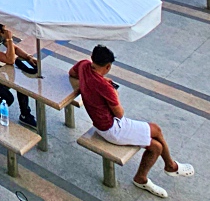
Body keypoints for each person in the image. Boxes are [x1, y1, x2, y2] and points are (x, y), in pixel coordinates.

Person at [69, 46, 193, 198]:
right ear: (108, 66)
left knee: (156, 146)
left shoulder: (83, 65)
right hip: (112, 129)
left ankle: (142, 178)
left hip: (100, 124)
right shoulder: (106, 88)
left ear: (92, 58)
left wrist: (88, 84)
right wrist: (114, 93)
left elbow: (72, 73)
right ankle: (171, 166)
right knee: (156, 129)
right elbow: (120, 114)